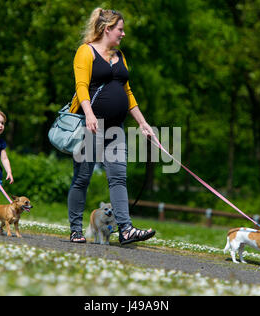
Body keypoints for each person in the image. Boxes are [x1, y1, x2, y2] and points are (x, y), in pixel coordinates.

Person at [67, 8, 156, 244]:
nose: (123, 34)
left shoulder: (119, 55)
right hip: (90, 126)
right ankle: (76, 229)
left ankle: (125, 229)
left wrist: (143, 123)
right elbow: (82, 86)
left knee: (118, 178)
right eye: (120, 29)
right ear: (107, 29)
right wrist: (89, 114)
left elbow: (127, 92)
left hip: (116, 129)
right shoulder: (85, 52)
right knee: (82, 178)